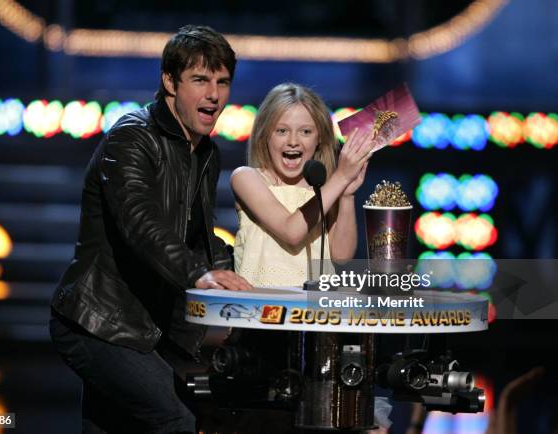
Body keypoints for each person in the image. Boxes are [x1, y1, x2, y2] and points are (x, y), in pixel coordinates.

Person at [49, 25, 251, 434]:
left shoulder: (205, 152)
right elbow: (141, 223)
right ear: (169, 82)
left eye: (222, 82)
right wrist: (200, 274)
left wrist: (237, 275)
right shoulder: (132, 138)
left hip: (145, 327)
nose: (213, 94)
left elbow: (197, 235)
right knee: (176, 419)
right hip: (99, 321)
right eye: (199, 80)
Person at [231, 82, 374, 287]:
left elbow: (342, 256)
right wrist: (340, 179)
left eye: (305, 132)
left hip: (314, 311)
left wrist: (346, 194)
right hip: (260, 310)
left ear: (320, 140)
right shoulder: (246, 178)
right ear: (264, 136)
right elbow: (292, 232)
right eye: (281, 131)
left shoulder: (326, 189)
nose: (293, 141)